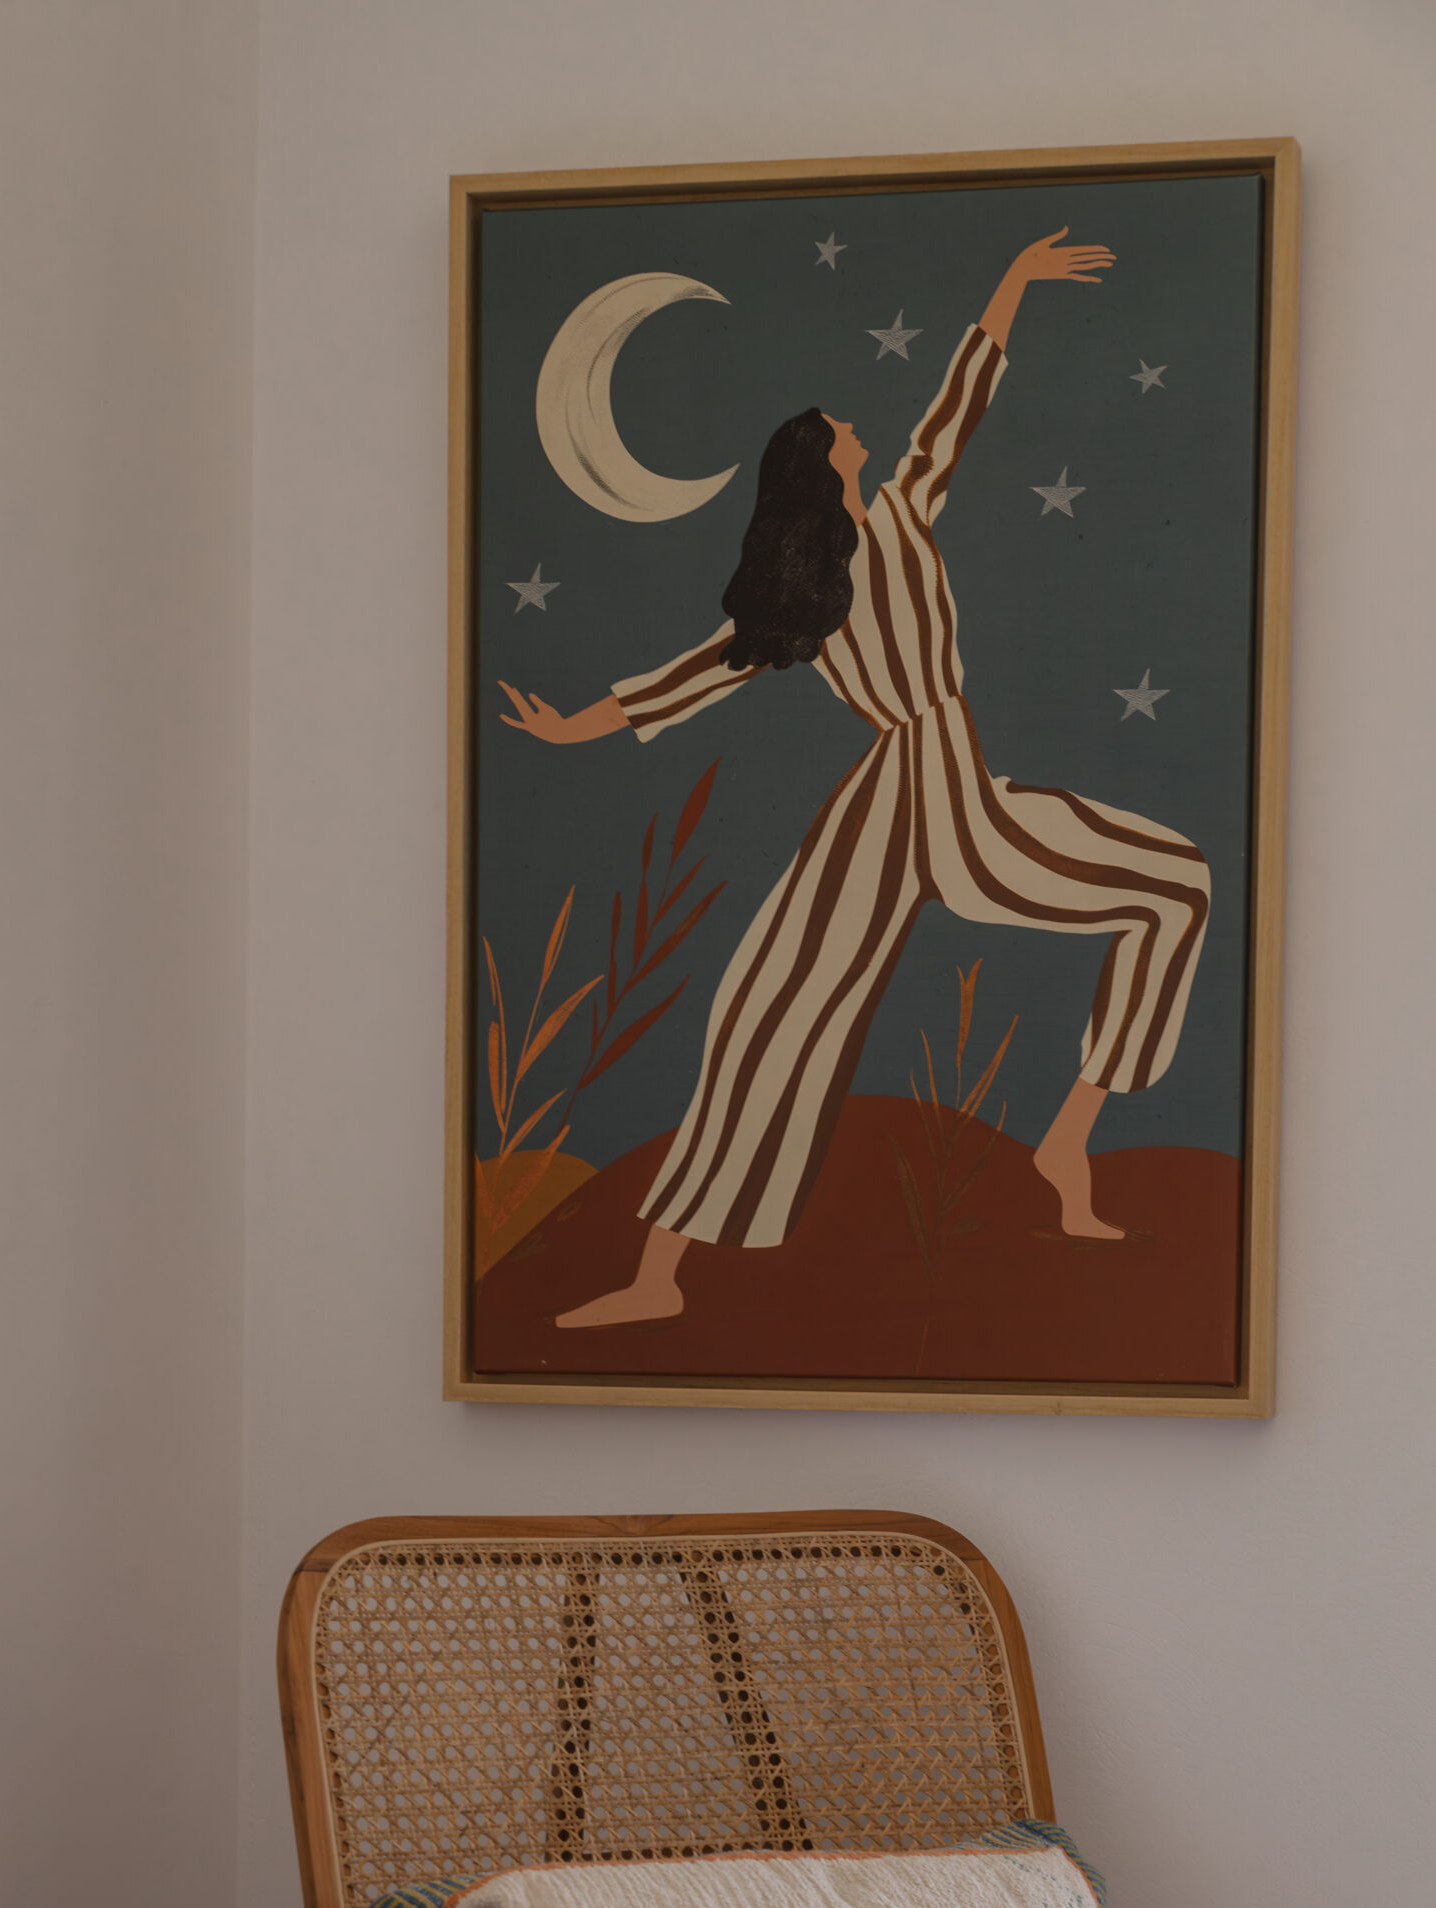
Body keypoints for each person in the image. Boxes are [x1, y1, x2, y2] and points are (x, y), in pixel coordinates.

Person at [499, 230, 1212, 1330]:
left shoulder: (888, 521)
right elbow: (693, 675)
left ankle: (1065, 1142)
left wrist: (1010, 285)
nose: (860, 430)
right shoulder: (817, 577)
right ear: (822, 461)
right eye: (842, 428)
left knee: (1166, 887)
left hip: (923, 789)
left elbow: (956, 406)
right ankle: (657, 1275)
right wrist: (573, 727)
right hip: (920, 795)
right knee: (772, 1004)